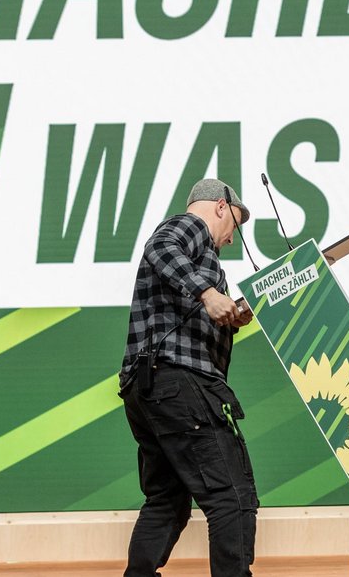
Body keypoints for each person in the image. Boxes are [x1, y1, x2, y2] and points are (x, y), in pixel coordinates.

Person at [119, 178, 258, 577]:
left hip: (148, 389)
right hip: (180, 382)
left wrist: (233, 315)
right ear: (219, 206)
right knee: (231, 496)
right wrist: (208, 293)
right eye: (235, 222)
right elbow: (159, 247)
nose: (232, 239)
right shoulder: (191, 226)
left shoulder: (201, 255)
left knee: (166, 500)